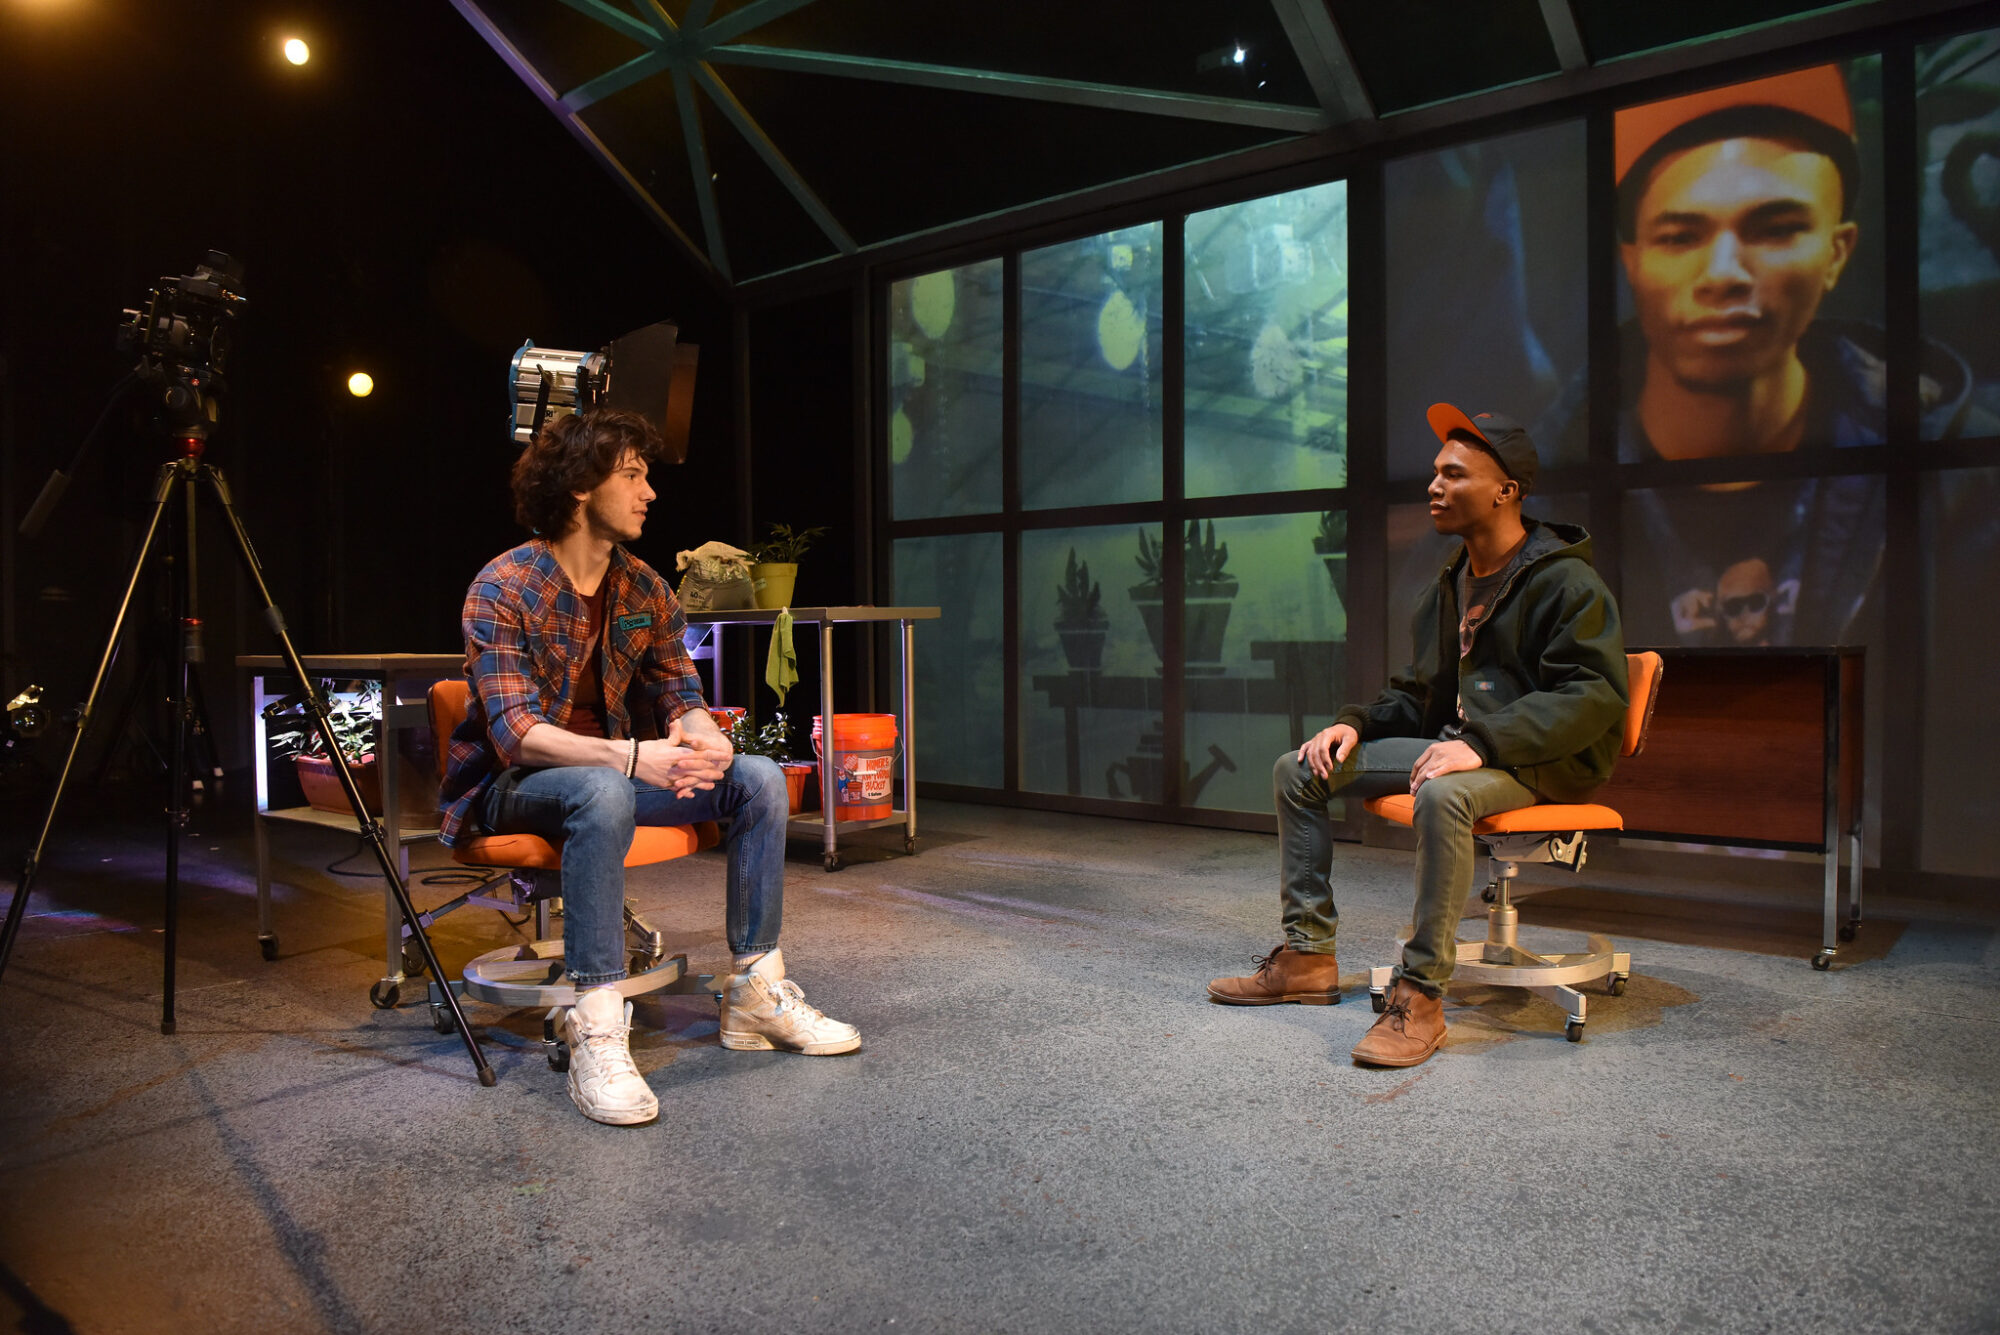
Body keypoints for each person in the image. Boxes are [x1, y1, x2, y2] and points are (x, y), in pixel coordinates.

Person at [439, 407, 858, 1127]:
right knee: (602, 789)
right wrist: (635, 756)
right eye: (631, 474)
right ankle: (597, 1018)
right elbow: (516, 734)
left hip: (613, 776)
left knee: (755, 777)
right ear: (578, 485)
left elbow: (679, 693)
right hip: (515, 787)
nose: (649, 492)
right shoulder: (503, 584)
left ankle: (755, 989)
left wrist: (705, 741)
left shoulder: (644, 587)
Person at [1207, 405, 1627, 1069]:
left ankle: (1422, 993)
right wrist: (1354, 723)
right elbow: (1418, 693)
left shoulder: (1567, 581)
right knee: (1299, 768)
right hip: (1468, 748)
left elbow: (1595, 694)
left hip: (1542, 759)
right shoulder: (1453, 581)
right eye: (1434, 472)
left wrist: (1483, 743)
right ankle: (1309, 956)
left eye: (1453, 473)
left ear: (1506, 490)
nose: (1433, 485)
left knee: (1442, 793)